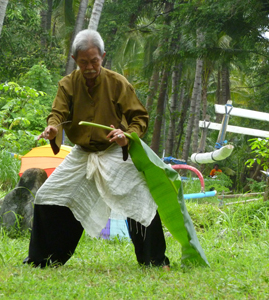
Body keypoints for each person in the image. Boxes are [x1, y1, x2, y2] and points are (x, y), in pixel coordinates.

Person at [23, 29, 170, 270]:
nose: (90, 67)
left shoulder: (117, 83)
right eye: (83, 62)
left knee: (141, 198)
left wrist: (126, 136)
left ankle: (154, 260)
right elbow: (57, 115)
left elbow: (139, 117)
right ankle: (44, 259)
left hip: (113, 151)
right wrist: (52, 129)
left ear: (103, 56)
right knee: (47, 195)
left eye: (94, 61)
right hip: (81, 154)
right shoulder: (67, 84)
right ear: (74, 61)